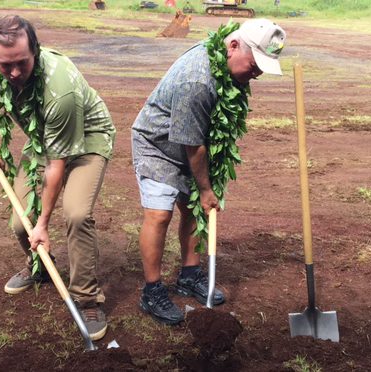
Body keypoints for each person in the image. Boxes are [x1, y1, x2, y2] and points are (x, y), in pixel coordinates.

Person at [0, 15, 115, 341]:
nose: (14, 73)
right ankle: (41, 269)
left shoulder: (60, 88)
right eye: (6, 66)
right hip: (45, 140)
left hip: (89, 139)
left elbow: (56, 166)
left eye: (22, 63)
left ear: (36, 50)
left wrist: (44, 223)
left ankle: (87, 298)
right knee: (21, 223)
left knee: (75, 213)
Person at [131, 18, 286, 325]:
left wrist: (202, 192)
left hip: (192, 143)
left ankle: (189, 276)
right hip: (158, 144)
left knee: (194, 212)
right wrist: (206, 189)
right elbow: (194, 146)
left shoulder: (229, 69)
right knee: (160, 214)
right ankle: (152, 292)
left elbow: (201, 138)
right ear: (233, 46)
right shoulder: (198, 80)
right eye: (255, 64)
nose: (256, 74)